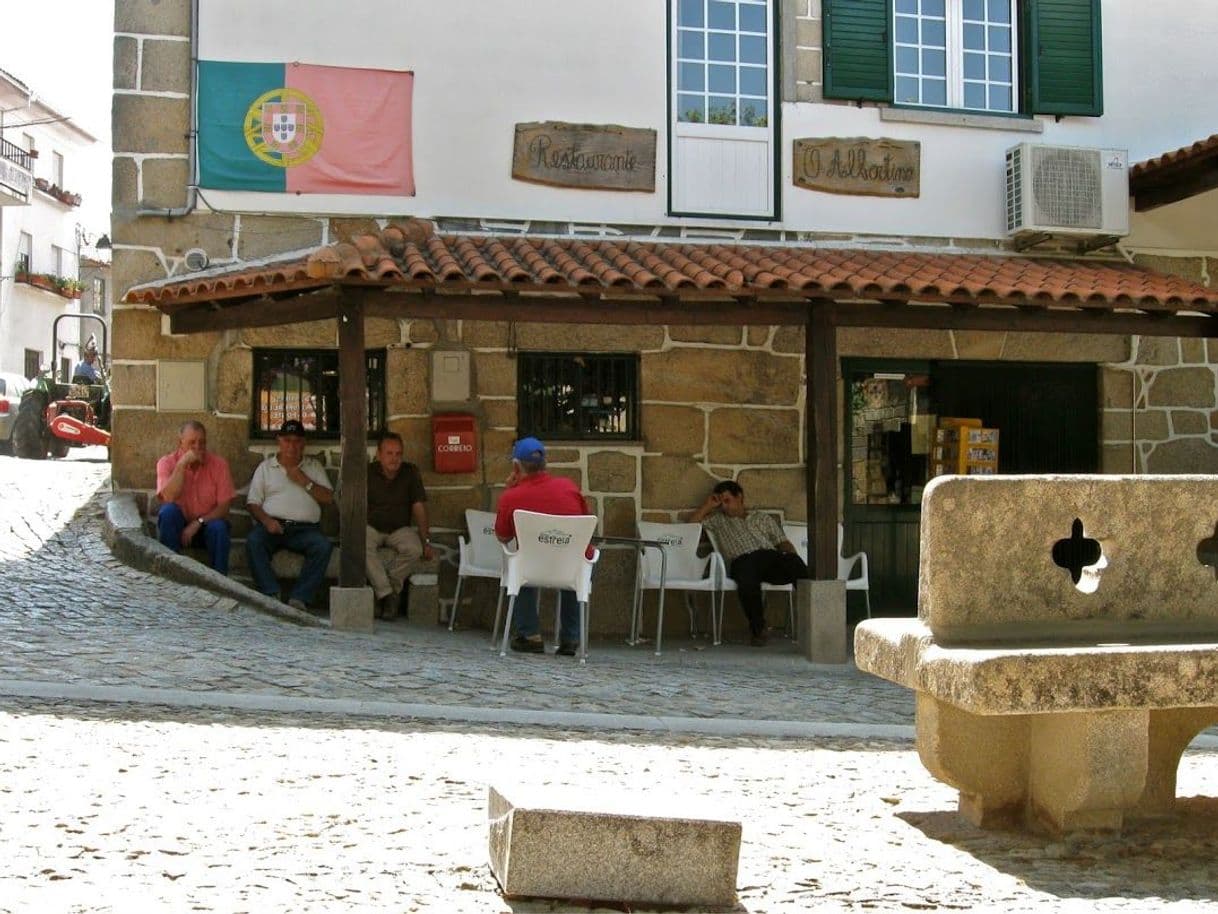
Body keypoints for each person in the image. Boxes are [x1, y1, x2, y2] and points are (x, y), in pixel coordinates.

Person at [494, 436, 590, 657]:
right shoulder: (569, 487)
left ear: (516, 466)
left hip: (532, 568)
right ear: (544, 464)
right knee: (575, 560)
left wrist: (510, 491)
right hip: (571, 567)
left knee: (519, 560)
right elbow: (585, 524)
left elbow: (502, 536)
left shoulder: (512, 496)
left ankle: (530, 635)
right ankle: (571, 638)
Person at [690, 480, 808, 646]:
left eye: (727, 500)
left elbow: (782, 542)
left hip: (769, 558)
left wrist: (789, 554)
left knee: (796, 564)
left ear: (740, 497)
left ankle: (815, 618)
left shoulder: (762, 518)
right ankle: (758, 629)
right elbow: (689, 528)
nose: (724, 506)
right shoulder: (718, 520)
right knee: (747, 578)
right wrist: (708, 505)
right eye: (720, 502)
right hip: (743, 560)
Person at [244, 419, 334, 611]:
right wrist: (267, 521)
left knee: (323, 547)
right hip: (273, 525)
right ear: (279, 441)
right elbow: (252, 503)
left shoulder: (313, 467)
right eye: (287, 440)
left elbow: (328, 498)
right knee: (254, 541)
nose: (292, 446)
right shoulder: (266, 468)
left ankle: (299, 598)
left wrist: (304, 481)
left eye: (296, 441)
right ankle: (270, 594)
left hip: (305, 529)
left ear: (303, 443)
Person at [366, 432, 435, 619]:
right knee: (359, 545)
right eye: (389, 453)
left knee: (414, 548)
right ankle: (387, 595)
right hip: (371, 526)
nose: (394, 458)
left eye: (398, 453)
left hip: (399, 528)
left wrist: (426, 541)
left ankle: (387, 592)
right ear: (379, 454)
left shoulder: (410, 472)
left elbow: (419, 507)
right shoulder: (367, 472)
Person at [154, 420, 235, 574]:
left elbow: (224, 507)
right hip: (178, 526)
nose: (198, 447)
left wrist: (198, 522)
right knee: (168, 512)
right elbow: (168, 498)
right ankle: (170, 576)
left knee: (219, 527)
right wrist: (181, 465)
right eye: (192, 443)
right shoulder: (166, 463)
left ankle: (220, 583)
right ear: (180, 442)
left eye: (202, 442)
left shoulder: (219, 464)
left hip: (207, 525)